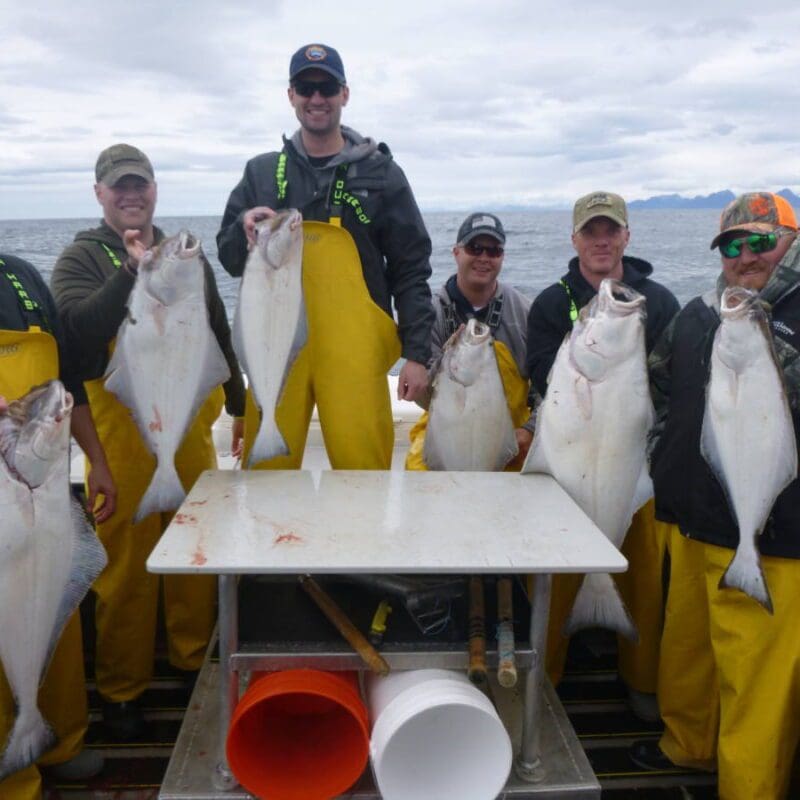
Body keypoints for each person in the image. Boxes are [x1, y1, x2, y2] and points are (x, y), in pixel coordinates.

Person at [49, 144, 246, 741]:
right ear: (100, 194)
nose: (131, 195)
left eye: (141, 185)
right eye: (119, 187)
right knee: (125, 566)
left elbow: (214, 324)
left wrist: (238, 402)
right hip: (120, 430)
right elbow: (75, 328)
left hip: (186, 421)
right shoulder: (82, 256)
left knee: (194, 551)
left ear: (156, 188)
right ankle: (122, 689)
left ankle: (191, 663)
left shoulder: (185, 253)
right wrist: (131, 273)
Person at [631, 192, 800, 800]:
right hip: (693, 519)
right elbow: (656, 379)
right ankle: (689, 746)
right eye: (733, 244)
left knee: (754, 683)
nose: (746, 255)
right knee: (690, 656)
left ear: (791, 239)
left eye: (761, 240)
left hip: (774, 536)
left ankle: (747, 789)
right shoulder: (703, 312)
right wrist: (659, 451)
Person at [216, 43, 434, 470]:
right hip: (274, 353)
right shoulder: (260, 173)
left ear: (344, 94)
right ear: (291, 95)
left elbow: (411, 268)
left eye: (327, 88)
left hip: (354, 356)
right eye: (306, 87)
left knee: (364, 479)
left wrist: (418, 353)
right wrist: (243, 230)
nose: (317, 99)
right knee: (267, 479)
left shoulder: (382, 175)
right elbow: (227, 258)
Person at [526, 191, 679, 717]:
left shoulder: (658, 301)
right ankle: (545, 676)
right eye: (591, 231)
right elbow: (543, 379)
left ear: (627, 237)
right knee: (553, 574)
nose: (601, 240)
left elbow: (671, 380)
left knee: (641, 577)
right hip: (570, 455)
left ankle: (642, 679)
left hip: (633, 459)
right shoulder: (550, 303)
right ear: (575, 240)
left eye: (611, 230)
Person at [0, 254, 116, 796]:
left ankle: (59, 739)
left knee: (59, 625)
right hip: (15, 476)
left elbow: (69, 382)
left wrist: (98, 459)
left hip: (36, 475)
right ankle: (16, 773)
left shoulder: (23, 275)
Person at [405, 212, 533, 469]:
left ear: (502, 257)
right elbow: (424, 397)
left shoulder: (524, 311)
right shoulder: (431, 314)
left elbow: (544, 385)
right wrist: (446, 359)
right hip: (446, 422)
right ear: (456, 253)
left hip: (511, 427)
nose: (484, 258)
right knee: (417, 470)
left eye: (494, 250)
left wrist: (530, 429)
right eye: (475, 248)